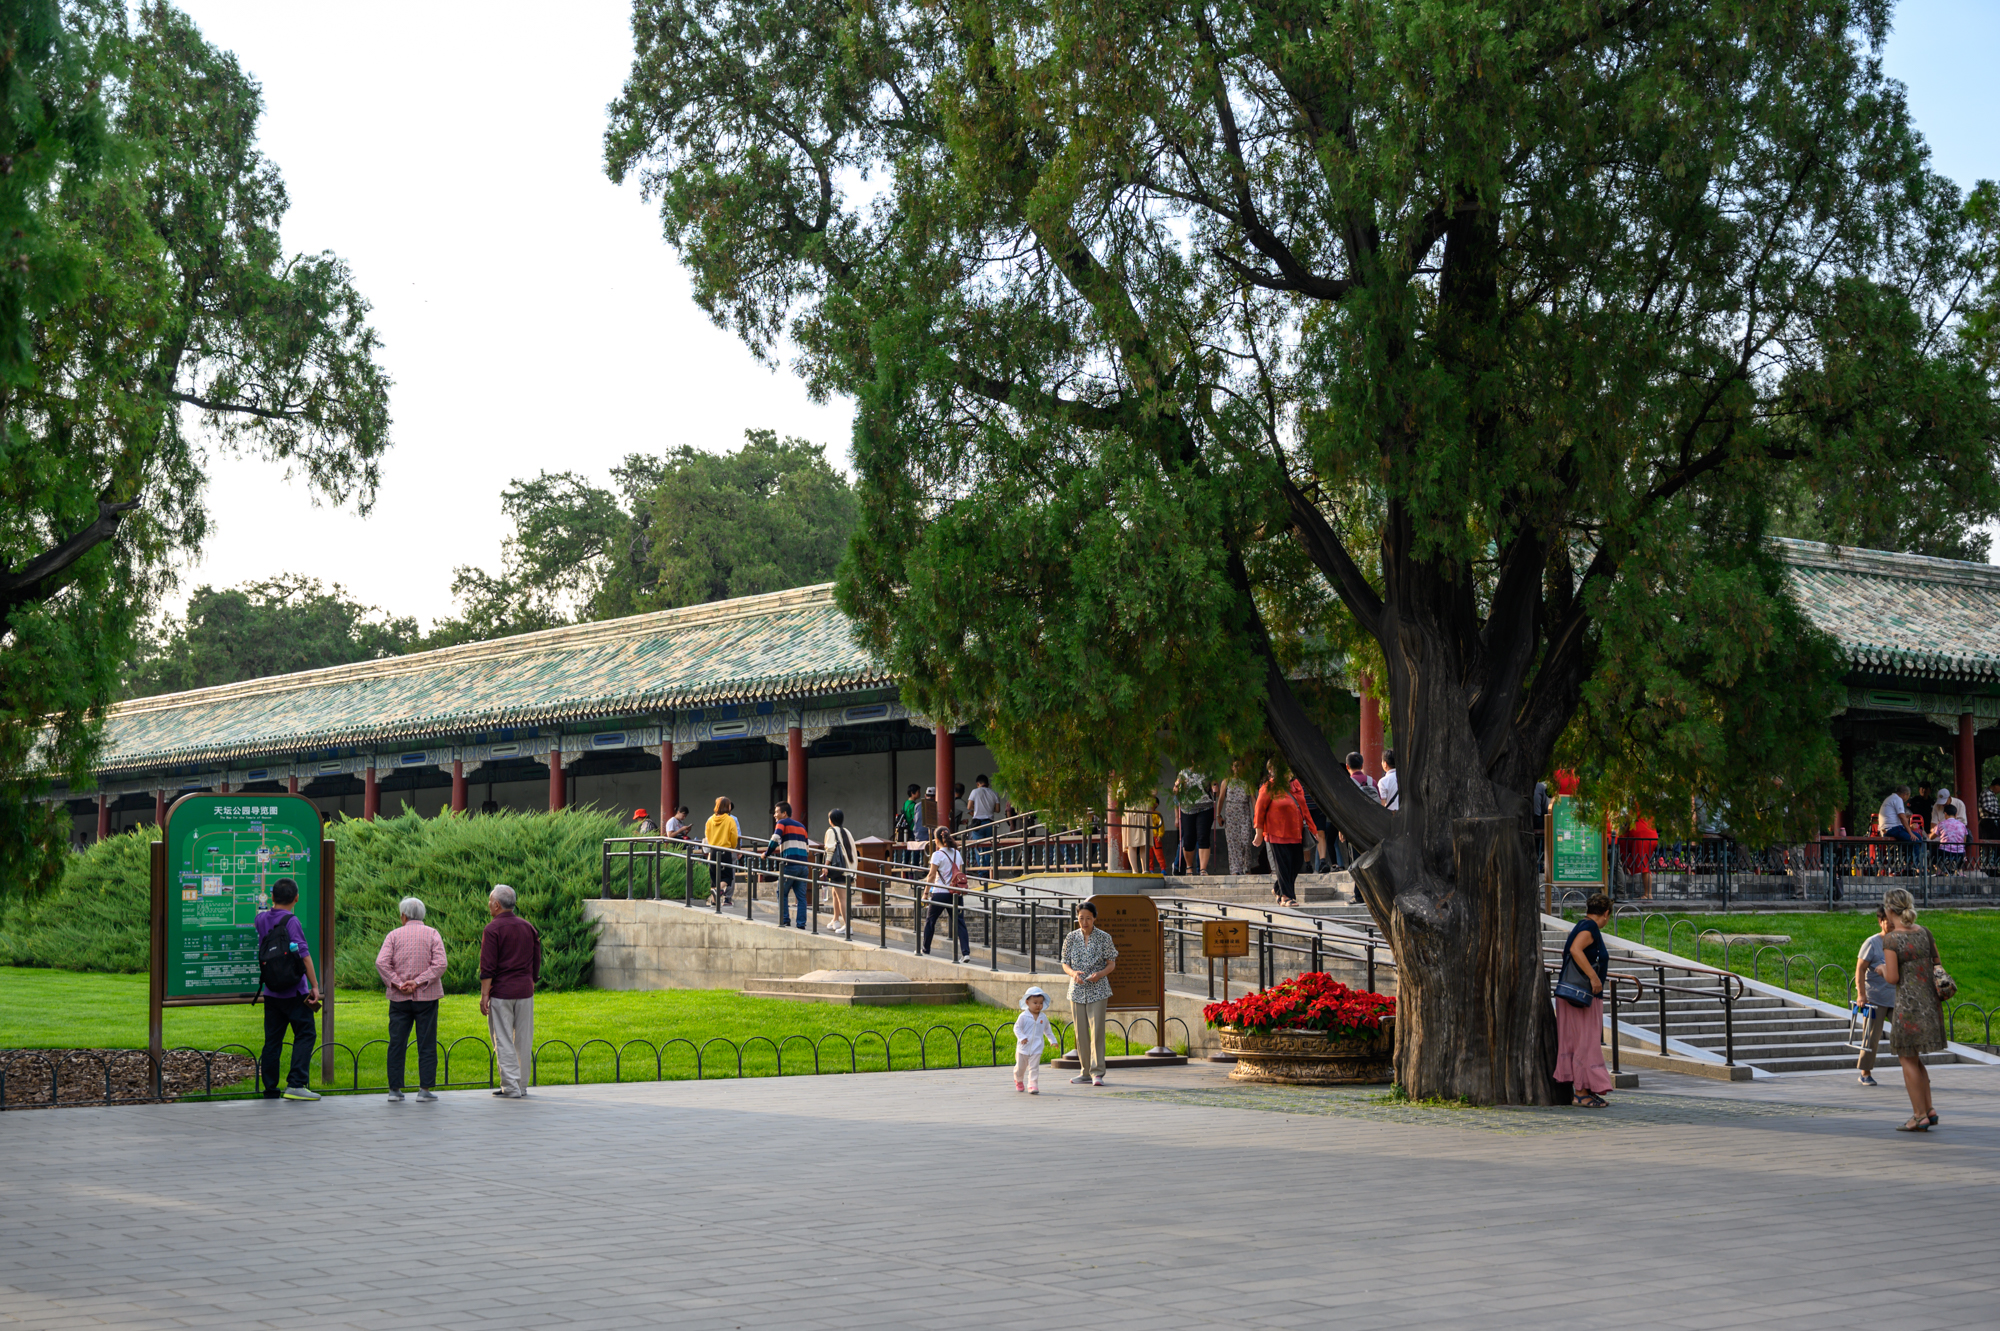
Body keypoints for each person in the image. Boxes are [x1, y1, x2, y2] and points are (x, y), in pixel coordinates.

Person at [1879, 888, 1945, 1131]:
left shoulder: (1891, 939)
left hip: (1907, 1007)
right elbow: (1938, 964)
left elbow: (1893, 978)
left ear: (1889, 910)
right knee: (1916, 1060)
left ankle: (1919, 1116)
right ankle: (1929, 1109)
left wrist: (1881, 970)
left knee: (1907, 1059)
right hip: (1930, 1004)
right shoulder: (1925, 932)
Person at [255, 878, 323, 1102]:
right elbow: (304, 955)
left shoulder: (260, 919)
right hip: (295, 991)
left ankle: (270, 1089)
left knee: (272, 1041)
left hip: (271, 991)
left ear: (272, 897)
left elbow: (263, 914)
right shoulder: (292, 921)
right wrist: (314, 986)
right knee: (306, 1034)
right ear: (296, 898)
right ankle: (296, 1083)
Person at [375, 896, 447, 1103]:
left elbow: (381, 963)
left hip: (399, 999)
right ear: (422, 915)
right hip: (427, 997)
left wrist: (399, 983)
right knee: (427, 1042)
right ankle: (424, 1090)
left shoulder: (393, 935)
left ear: (403, 916)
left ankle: (394, 1090)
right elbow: (441, 964)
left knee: (396, 1042)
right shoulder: (433, 933)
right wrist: (418, 982)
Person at [479, 884, 542, 1099]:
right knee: (523, 1039)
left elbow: (488, 966)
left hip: (502, 992)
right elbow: (536, 957)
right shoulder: (527, 927)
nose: (488, 904)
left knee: (503, 1039)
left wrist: (484, 995)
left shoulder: (492, 929)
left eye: (490, 901)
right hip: (525, 990)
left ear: (497, 905)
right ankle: (521, 1085)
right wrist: (532, 980)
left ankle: (511, 1086)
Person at [1556, 892, 1615, 1108]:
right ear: (1606, 914)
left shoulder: (1583, 925)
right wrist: (1593, 977)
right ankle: (1580, 1092)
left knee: (1583, 1042)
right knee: (1585, 1043)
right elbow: (1575, 950)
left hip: (1578, 995)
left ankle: (1586, 1089)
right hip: (1581, 996)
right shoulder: (1590, 927)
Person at [1061, 900, 1118, 1086]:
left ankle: (1097, 1072)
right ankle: (1085, 1071)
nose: (1084, 922)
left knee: (1097, 1032)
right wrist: (1073, 973)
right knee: (1080, 1033)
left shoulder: (1104, 937)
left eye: (1088, 918)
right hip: (1077, 990)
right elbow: (1064, 963)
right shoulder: (1071, 937)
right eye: (1081, 918)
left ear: (1094, 918)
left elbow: (1111, 963)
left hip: (1098, 990)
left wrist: (1099, 974)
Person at [1253, 762, 1318, 906]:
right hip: (1276, 833)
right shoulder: (1268, 787)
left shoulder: (1296, 785)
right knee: (1283, 865)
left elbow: (1304, 808)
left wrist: (1312, 828)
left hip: (1296, 832)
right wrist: (1258, 833)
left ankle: (1278, 889)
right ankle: (1286, 897)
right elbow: (1259, 811)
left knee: (1297, 863)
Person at [1853, 906, 1896, 1087]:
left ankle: (1915, 1072)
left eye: (1895, 920)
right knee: (1871, 1037)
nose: (1892, 924)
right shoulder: (1872, 943)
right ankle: (1865, 1073)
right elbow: (1860, 969)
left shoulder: (1900, 942)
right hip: (1875, 998)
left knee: (1906, 1034)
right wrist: (1861, 995)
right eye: (1888, 921)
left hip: (1896, 998)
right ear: (1880, 922)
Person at [920, 827, 971, 962]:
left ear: (937, 840)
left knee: (930, 921)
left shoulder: (937, 854)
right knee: (960, 923)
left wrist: (925, 893)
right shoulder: (957, 853)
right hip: (955, 893)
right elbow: (959, 872)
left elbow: (931, 875)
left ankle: (925, 949)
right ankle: (965, 953)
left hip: (940, 893)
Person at [768, 800, 812, 927]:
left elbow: (775, 838)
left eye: (776, 812)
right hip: (803, 865)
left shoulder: (781, 823)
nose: (775, 815)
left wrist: (767, 853)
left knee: (782, 893)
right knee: (801, 897)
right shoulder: (801, 826)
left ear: (784, 813)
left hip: (790, 864)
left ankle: (785, 919)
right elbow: (807, 848)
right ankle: (801, 923)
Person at [1217, 759, 1257, 876]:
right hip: (1231, 815)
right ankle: (1235, 869)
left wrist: (1257, 815)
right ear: (1232, 767)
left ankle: (1246, 867)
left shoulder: (1248, 782)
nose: (1237, 768)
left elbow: (1253, 799)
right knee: (1233, 843)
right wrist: (1218, 815)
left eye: (1239, 766)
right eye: (1235, 766)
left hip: (1244, 815)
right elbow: (1221, 799)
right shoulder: (1226, 781)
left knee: (1246, 841)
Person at [1173, 768, 1214, 876]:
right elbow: (1176, 795)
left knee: (1203, 837)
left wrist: (1215, 787)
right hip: (1187, 809)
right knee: (1188, 840)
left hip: (1205, 808)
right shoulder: (1183, 773)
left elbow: (1215, 791)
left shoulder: (1208, 771)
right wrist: (1176, 788)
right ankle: (1189, 867)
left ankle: (1203, 869)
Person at [822, 808, 858, 932]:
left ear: (831, 820)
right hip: (848, 869)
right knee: (835, 893)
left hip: (839, 869)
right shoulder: (846, 831)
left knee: (842, 897)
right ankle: (835, 920)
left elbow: (830, 850)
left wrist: (826, 866)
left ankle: (847, 926)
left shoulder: (831, 831)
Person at [1013, 986, 1052, 1094]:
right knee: (1020, 1068)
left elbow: (1047, 1030)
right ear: (1027, 1002)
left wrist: (1052, 1040)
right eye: (1035, 1003)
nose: (1038, 1005)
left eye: (1040, 1003)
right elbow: (1016, 1028)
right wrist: (1022, 1037)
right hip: (1023, 1048)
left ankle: (1032, 1085)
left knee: (1034, 1068)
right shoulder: (1023, 1016)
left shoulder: (1043, 1017)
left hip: (1036, 1047)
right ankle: (1018, 1080)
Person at [704, 796, 741, 905]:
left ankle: (714, 901)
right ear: (727, 806)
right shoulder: (730, 820)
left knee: (714, 877)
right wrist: (733, 847)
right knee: (728, 877)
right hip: (725, 850)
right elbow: (734, 836)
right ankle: (717, 890)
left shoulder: (710, 820)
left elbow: (707, 835)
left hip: (713, 850)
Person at [1618, 812, 1658, 900]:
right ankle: (1626, 866)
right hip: (1649, 833)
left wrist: (1624, 827)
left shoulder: (1636, 804)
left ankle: (1648, 894)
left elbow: (1630, 817)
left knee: (1644, 865)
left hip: (1642, 834)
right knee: (1644, 862)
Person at [967, 774, 1003, 868]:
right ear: (988, 784)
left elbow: (969, 807)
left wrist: (977, 807)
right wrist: (988, 808)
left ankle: (981, 871)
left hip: (978, 824)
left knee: (978, 847)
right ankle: (987, 870)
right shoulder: (994, 793)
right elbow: (997, 809)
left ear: (978, 784)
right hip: (989, 823)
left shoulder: (975, 791)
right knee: (988, 848)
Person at [1928, 800, 1968, 873]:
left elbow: (1931, 837)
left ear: (1945, 814)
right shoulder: (1962, 825)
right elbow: (1964, 840)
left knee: (1932, 851)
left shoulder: (1941, 824)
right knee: (1961, 850)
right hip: (1960, 854)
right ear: (1956, 814)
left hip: (1945, 852)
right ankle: (1959, 870)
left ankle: (1939, 870)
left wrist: (1931, 833)